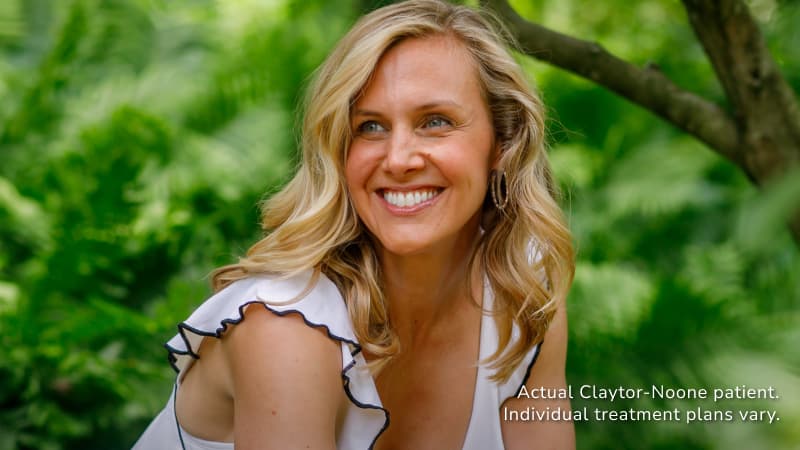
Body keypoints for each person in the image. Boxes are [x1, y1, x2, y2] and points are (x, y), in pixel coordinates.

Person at [133, 0, 575, 448]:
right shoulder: (287, 325)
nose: (399, 159)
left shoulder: (524, 290)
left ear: (503, 143)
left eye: (435, 122)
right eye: (370, 127)